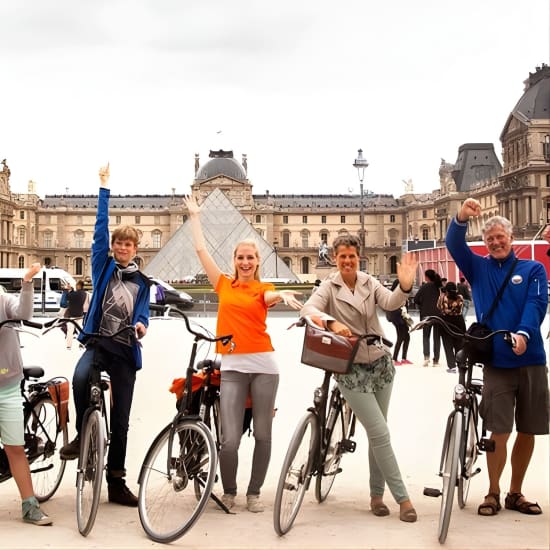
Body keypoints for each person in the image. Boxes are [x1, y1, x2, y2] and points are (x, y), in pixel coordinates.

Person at [184, 195, 302, 513]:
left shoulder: (261, 289)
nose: (246, 262)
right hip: (233, 368)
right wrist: (195, 216)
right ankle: (231, 490)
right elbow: (200, 251)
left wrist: (283, 294)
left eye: (251, 257)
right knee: (230, 439)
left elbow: (270, 296)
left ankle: (254, 492)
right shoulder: (223, 284)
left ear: (257, 261)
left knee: (263, 433)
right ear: (234, 260)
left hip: (265, 366)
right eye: (241, 258)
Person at [301, 235, 418, 522]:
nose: (348, 261)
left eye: (352, 256)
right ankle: (403, 499)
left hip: (379, 363)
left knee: (378, 434)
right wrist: (331, 322)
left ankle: (376, 496)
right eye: (342, 257)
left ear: (359, 256)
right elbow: (308, 309)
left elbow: (390, 303)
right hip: (350, 368)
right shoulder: (329, 286)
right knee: (380, 432)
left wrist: (404, 286)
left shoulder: (369, 282)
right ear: (335, 259)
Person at [446, 198, 548, 517]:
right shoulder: (477, 267)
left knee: (528, 429)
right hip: (497, 362)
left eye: (500, 237)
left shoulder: (534, 269)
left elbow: (536, 305)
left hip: (530, 358)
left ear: (511, 237)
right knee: (498, 431)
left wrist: (523, 333)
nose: (495, 242)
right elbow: (453, 243)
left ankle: (515, 492)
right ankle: (493, 491)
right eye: (489, 239)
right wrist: (461, 216)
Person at [60, 164, 150, 507]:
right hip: (98, 342)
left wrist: (142, 325)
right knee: (81, 375)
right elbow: (99, 231)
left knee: (123, 420)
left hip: (126, 348)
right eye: (118, 243)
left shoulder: (143, 282)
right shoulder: (103, 266)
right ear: (112, 247)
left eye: (128, 244)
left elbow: (143, 313)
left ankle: (116, 482)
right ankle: (84, 434)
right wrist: (103, 188)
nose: (123, 247)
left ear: (135, 247)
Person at [0, 262, 52, 525]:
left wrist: (28, 281)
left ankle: (29, 506)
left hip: (6, 384)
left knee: (15, 448)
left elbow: (24, 311)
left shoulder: (2, 298)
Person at [413, 269, 443, 367]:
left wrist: (423, 305)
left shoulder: (424, 287)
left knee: (426, 336)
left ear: (426, 277)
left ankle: (426, 357)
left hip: (426, 315)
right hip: (438, 315)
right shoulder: (439, 287)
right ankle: (436, 360)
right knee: (436, 337)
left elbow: (416, 299)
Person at [436, 281, 466, 373]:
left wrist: (441, 294)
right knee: (459, 344)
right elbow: (461, 307)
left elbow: (438, 307)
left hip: (446, 321)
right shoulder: (460, 298)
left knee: (447, 344)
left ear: (447, 290)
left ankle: (452, 366)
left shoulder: (443, 298)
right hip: (459, 321)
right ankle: (461, 364)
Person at [385, 279, 412, 365]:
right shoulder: (393, 295)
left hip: (403, 318)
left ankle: (404, 358)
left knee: (407, 337)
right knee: (401, 337)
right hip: (397, 319)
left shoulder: (402, 295)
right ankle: (395, 358)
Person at [64, 280, 88, 350]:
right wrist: (71, 290)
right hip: (80, 315)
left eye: (76, 285)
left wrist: (68, 289)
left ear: (79, 286)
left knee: (70, 331)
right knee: (81, 330)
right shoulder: (84, 293)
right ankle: (82, 343)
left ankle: (69, 346)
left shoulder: (75, 294)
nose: (75, 286)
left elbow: (68, 297)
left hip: (72, 316)